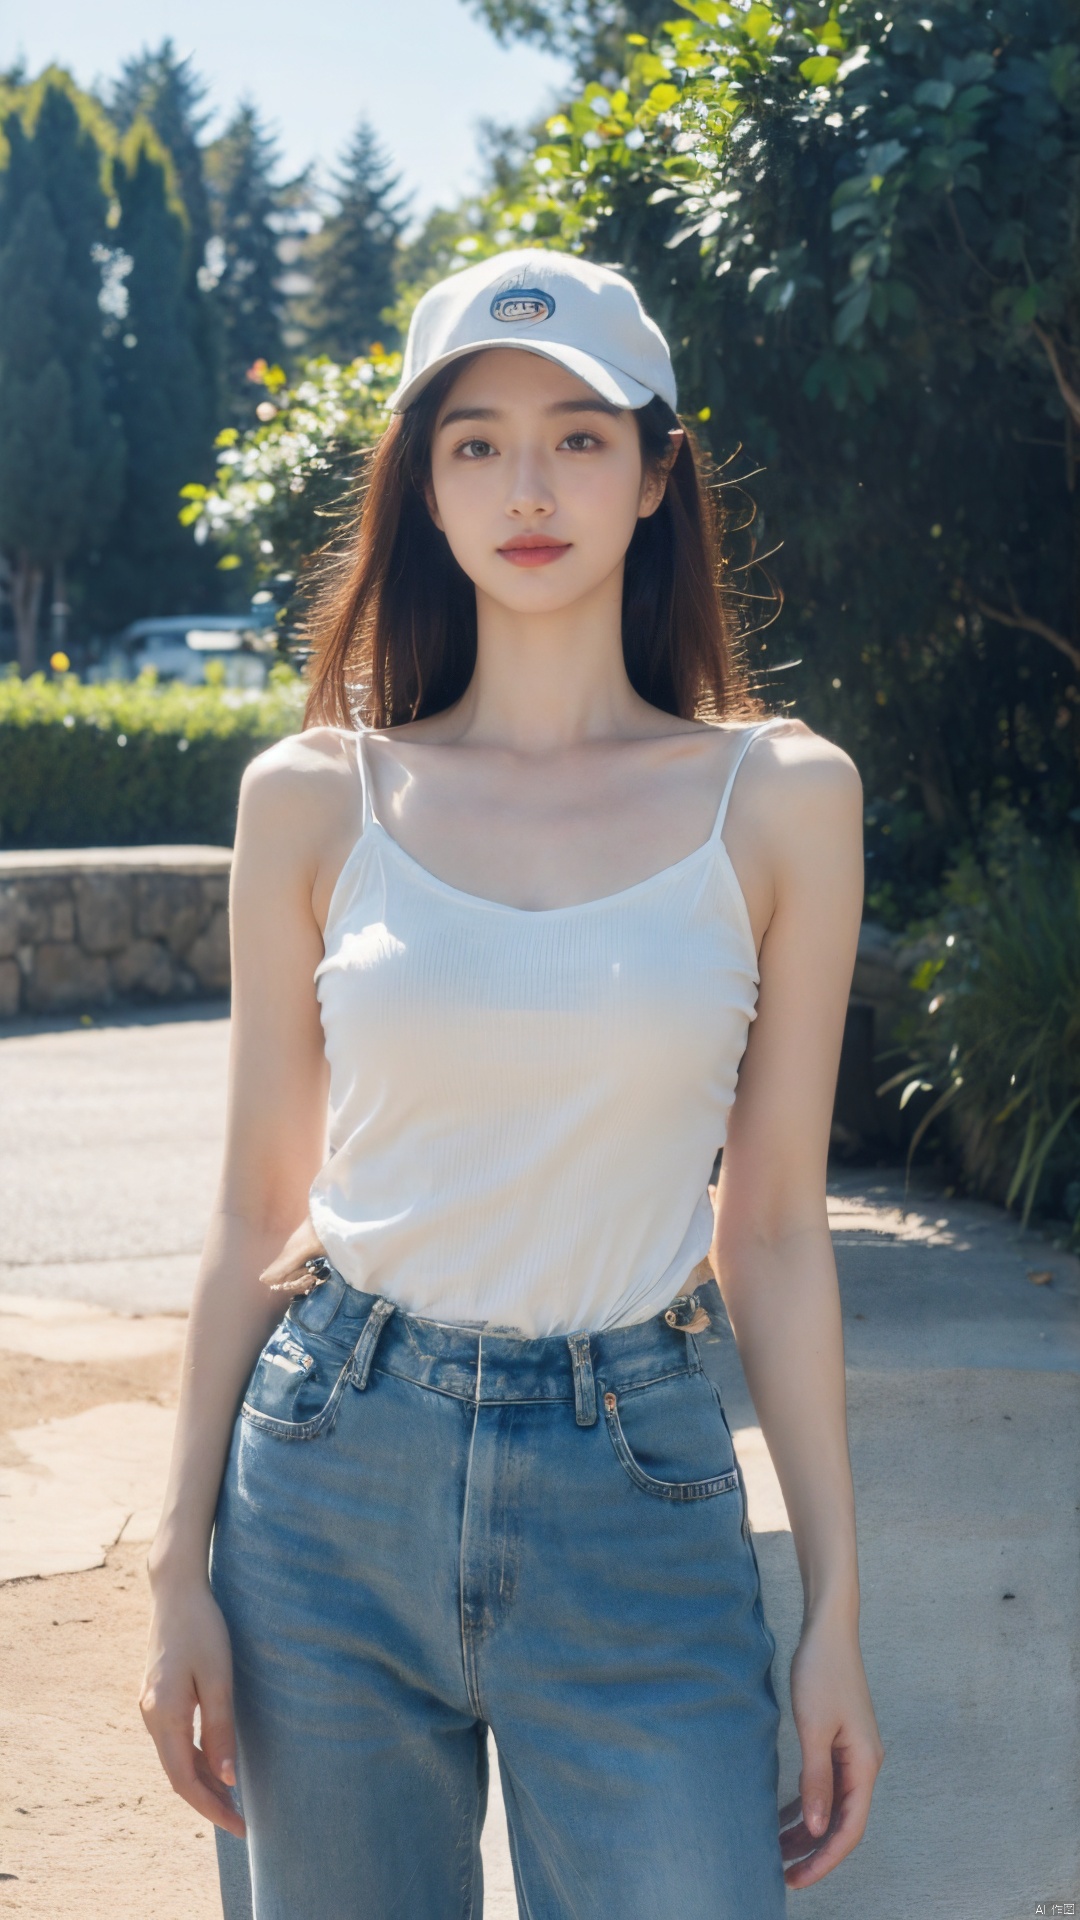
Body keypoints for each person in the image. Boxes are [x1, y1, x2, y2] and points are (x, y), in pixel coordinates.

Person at [140, 248, 883, 1919]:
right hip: (324, 1479)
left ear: (655, 470)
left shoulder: (780, 799)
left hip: (637, 1487)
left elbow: (769, 1231)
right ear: (422, 483)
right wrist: (176, 1563)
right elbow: (258, 1206)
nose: (526, 486)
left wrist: (835, 1606)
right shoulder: (314, 798)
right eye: (474, 442)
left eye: (576, 437)